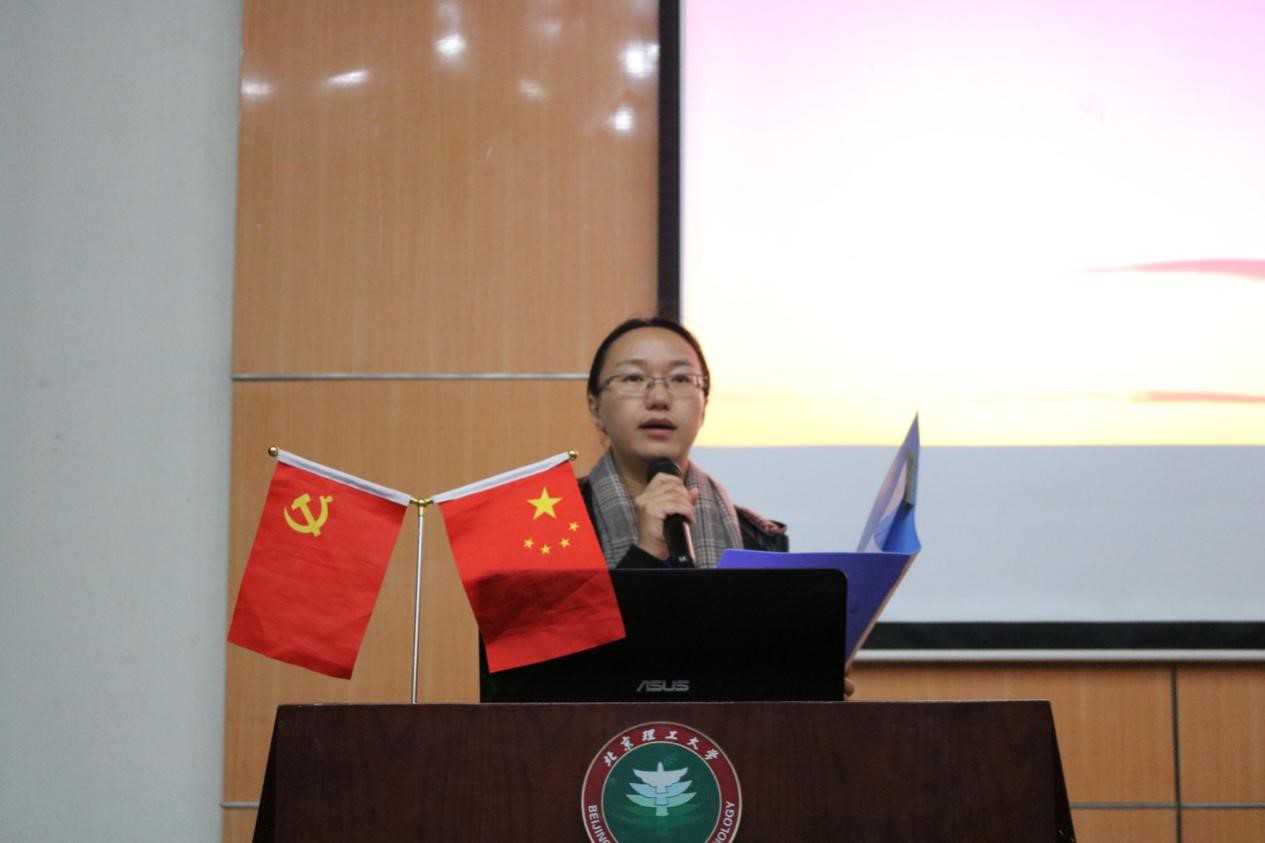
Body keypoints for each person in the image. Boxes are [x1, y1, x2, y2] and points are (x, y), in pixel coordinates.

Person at [580, 316, 788, 569]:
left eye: (680, 379)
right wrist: (646, 554)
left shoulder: (758, 540)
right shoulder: (552, 526)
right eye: (634, 378)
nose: (659, 398)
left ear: (704, 408)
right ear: (595, 408)